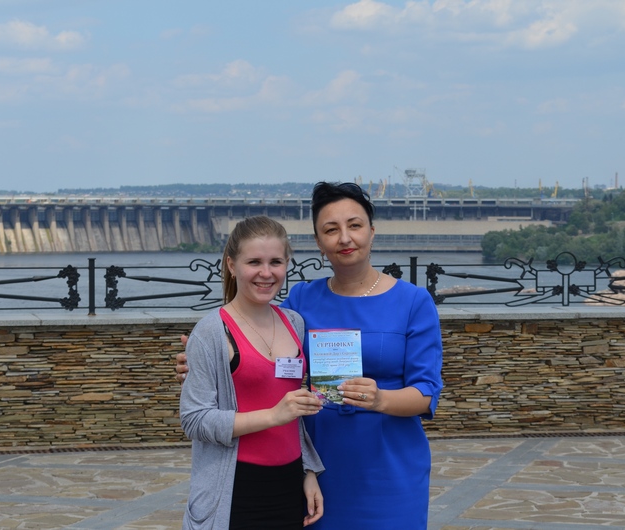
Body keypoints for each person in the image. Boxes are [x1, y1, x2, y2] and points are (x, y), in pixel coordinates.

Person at [177, 182, 443, 529]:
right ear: (318, 242)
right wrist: (203, 362)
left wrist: (381, 399)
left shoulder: (413, 302)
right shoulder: (302, 302)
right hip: (317, 464)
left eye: (355, 225)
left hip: (388, 465)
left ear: (372, 231)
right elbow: (260, 350)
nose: (344, 238)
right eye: (331, 230)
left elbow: (426, 394)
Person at [179, 215, 325, 529]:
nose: (266, 273)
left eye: (276, 262)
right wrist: (272, 415)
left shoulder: (294, 323)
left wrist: (308, 470)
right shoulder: (211, 332)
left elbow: (294, 415)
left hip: (288, 487)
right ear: (232, 265)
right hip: (235, 490)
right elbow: (194, 420)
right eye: (254, 262)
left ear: (287, 265)